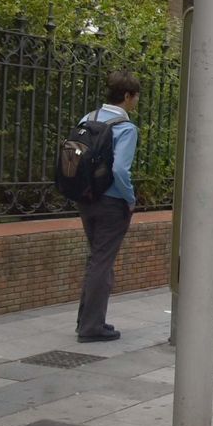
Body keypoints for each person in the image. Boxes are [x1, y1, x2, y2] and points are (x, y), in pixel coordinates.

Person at [76, 71, 140, 343]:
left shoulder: (87, 119)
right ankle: (91, 327)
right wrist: (130, 198)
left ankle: (87, 320)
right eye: (136, 96)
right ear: (127, 96)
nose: (136, 102)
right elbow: (120, 170)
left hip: (85, 198)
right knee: (102, 262)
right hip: (112, 203)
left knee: (95, 259)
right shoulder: (125, 129)